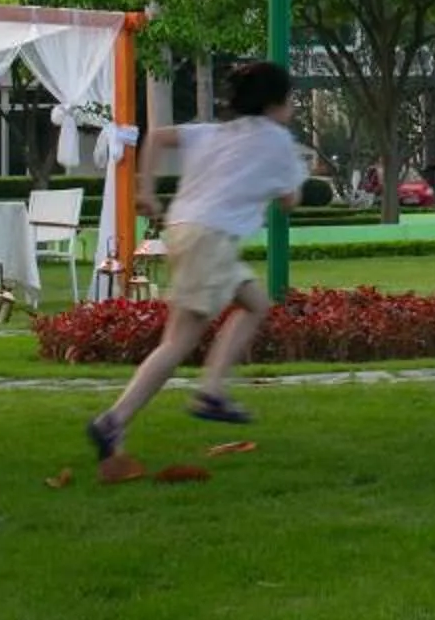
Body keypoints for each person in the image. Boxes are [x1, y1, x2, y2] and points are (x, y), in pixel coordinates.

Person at [86, 59, 306, 476]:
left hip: (186, 231)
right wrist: (291, 177)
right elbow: (290, 199)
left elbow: (157, 138)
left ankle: (206, 391)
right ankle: (121, 418)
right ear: (277, 103)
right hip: (212, 238)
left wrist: (146, 189)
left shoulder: (216, 133)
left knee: (256, 301)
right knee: (177, 342)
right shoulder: (278, 141)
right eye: (290, 100)